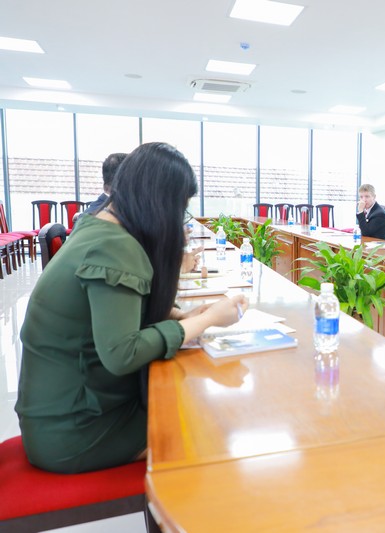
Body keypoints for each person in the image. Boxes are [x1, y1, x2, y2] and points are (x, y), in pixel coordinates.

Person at [15, 142, 248, 474]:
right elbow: (122, 353)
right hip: (75, 430)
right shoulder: (116, 246)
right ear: (159, 203)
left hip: (58, 414)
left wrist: (180, 316)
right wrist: (207, 319)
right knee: (211, 427)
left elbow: (113, 308)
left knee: (190, 401)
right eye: (180, 208)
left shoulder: (97, 225)